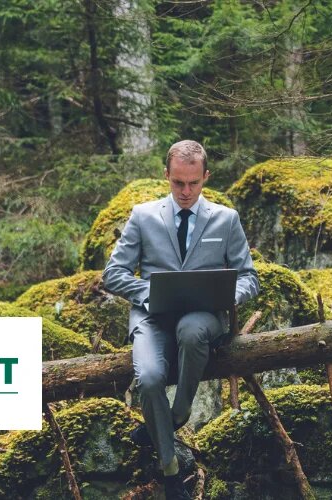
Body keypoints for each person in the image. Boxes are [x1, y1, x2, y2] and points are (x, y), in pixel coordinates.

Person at [102, 140, 260, 499]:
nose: (186, 192)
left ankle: (176, 416)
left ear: (206, 177)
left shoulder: (226, 218)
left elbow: (249, 277)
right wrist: (148, 295)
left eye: (193, 183)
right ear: (166, 177)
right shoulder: (142, 216)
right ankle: (170, 472)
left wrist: (225, 294)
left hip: (204, 317)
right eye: (178, 183)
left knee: (191, 331)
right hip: (151, 318)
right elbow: (113, 273)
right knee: (151, 377)